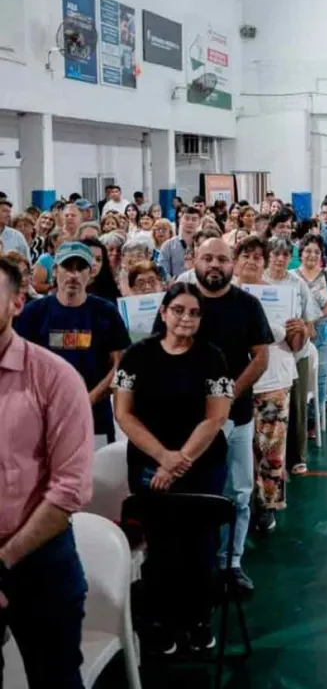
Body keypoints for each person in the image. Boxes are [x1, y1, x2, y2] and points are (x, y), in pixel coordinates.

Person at [113, 283, 233, 654]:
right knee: (161, 543)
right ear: (163, 313)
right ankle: (161, 620)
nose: (186, 318)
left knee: (199, 545)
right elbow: (124, 413)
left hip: (201, 464)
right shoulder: (137, 356)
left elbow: (216, 418)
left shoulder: (213, 358)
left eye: (194, 313)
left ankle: (197, 618)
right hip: (151, 464)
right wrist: (163, 457)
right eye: (179, 310)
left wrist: (179, 460)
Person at [0, 259, 93, 688]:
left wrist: (4, 561)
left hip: (39, 562)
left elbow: (70, 489)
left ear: (18, 302)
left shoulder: (55, 378)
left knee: (53, 678)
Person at [178, 238, 274, 592]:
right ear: (195, 261)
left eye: (221, 258)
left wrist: (229, 395)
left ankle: (231, 562)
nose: (214, 265)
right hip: (191, 418)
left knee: (239, 490)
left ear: (231, 262)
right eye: (207, 258)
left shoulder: (247, 305)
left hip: (238, 417)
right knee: (196, 491)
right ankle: (197, 563)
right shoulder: (182, 301)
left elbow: (260, 357)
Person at [17, 241, 131, 446]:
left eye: (81, 269)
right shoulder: (33, 313)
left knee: (95, 475)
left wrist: (89, 399)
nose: (74, 275)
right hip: (43, 417)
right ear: (55, 270)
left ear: (91, 273)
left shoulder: (106, 312)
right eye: (68, 267)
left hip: (94, 419)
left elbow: (121, 364)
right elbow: (18, 364)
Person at [236, 237, 303, 530]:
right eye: (245, 256)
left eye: (257, 257)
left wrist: (298, 331)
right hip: (235, 383)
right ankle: (241, 503)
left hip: (272, 381)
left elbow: (295, 345)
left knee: (271, 449)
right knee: (240, 450)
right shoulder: (224, 296)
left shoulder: (281, 296)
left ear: (264, 263)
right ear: (235, 261)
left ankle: (267, 504)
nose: (251, 261)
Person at [264, 237, 322, 475]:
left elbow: (311, 325)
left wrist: (299, 331)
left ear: (290, 258)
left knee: (297, 405)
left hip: (296, 352)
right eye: (275, 254)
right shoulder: (258, 282)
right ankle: (269, 456)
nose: (280, 259)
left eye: (285, 255)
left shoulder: (297, 284)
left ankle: (297, 456)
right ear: (269, 255)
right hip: (266, 355)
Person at [292, 233, 327, 416]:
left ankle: (315, 416)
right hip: (298, 331)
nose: (312, 255)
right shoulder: (292, 277)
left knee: (320, 375)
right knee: (298, 374)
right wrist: (306, 322)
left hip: (323, 332)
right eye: (308, 251)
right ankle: (298, 414)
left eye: (316, 252)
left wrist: (315, 318)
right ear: (301, 253)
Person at [159, 207, 201, 280]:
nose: (190, 222)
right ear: (180, 220)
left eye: (194, 219)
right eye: (187, 219)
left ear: (199, 222)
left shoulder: (203, 245)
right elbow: (163, 271)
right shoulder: (168, 245)